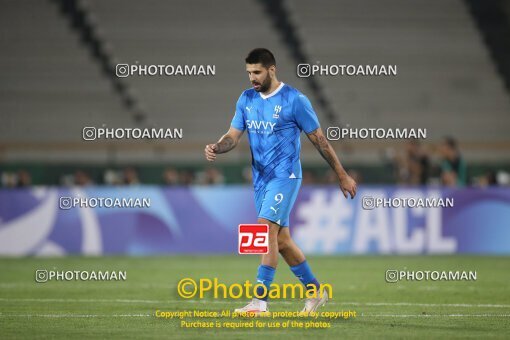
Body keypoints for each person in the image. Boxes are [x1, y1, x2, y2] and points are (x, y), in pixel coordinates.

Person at [204, 48, 357, 314]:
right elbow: (232, 135)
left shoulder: (294, 100)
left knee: (264, 233)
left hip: (285, 176)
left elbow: (320, 140)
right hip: (261, 180)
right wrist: (218, 146)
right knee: (282, 241)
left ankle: (259, 301)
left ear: (271, 70)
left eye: (257, 72)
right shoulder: (246, 99)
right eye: (249, 72)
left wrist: (341, 174)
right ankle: (315, 292)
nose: (252, 78)